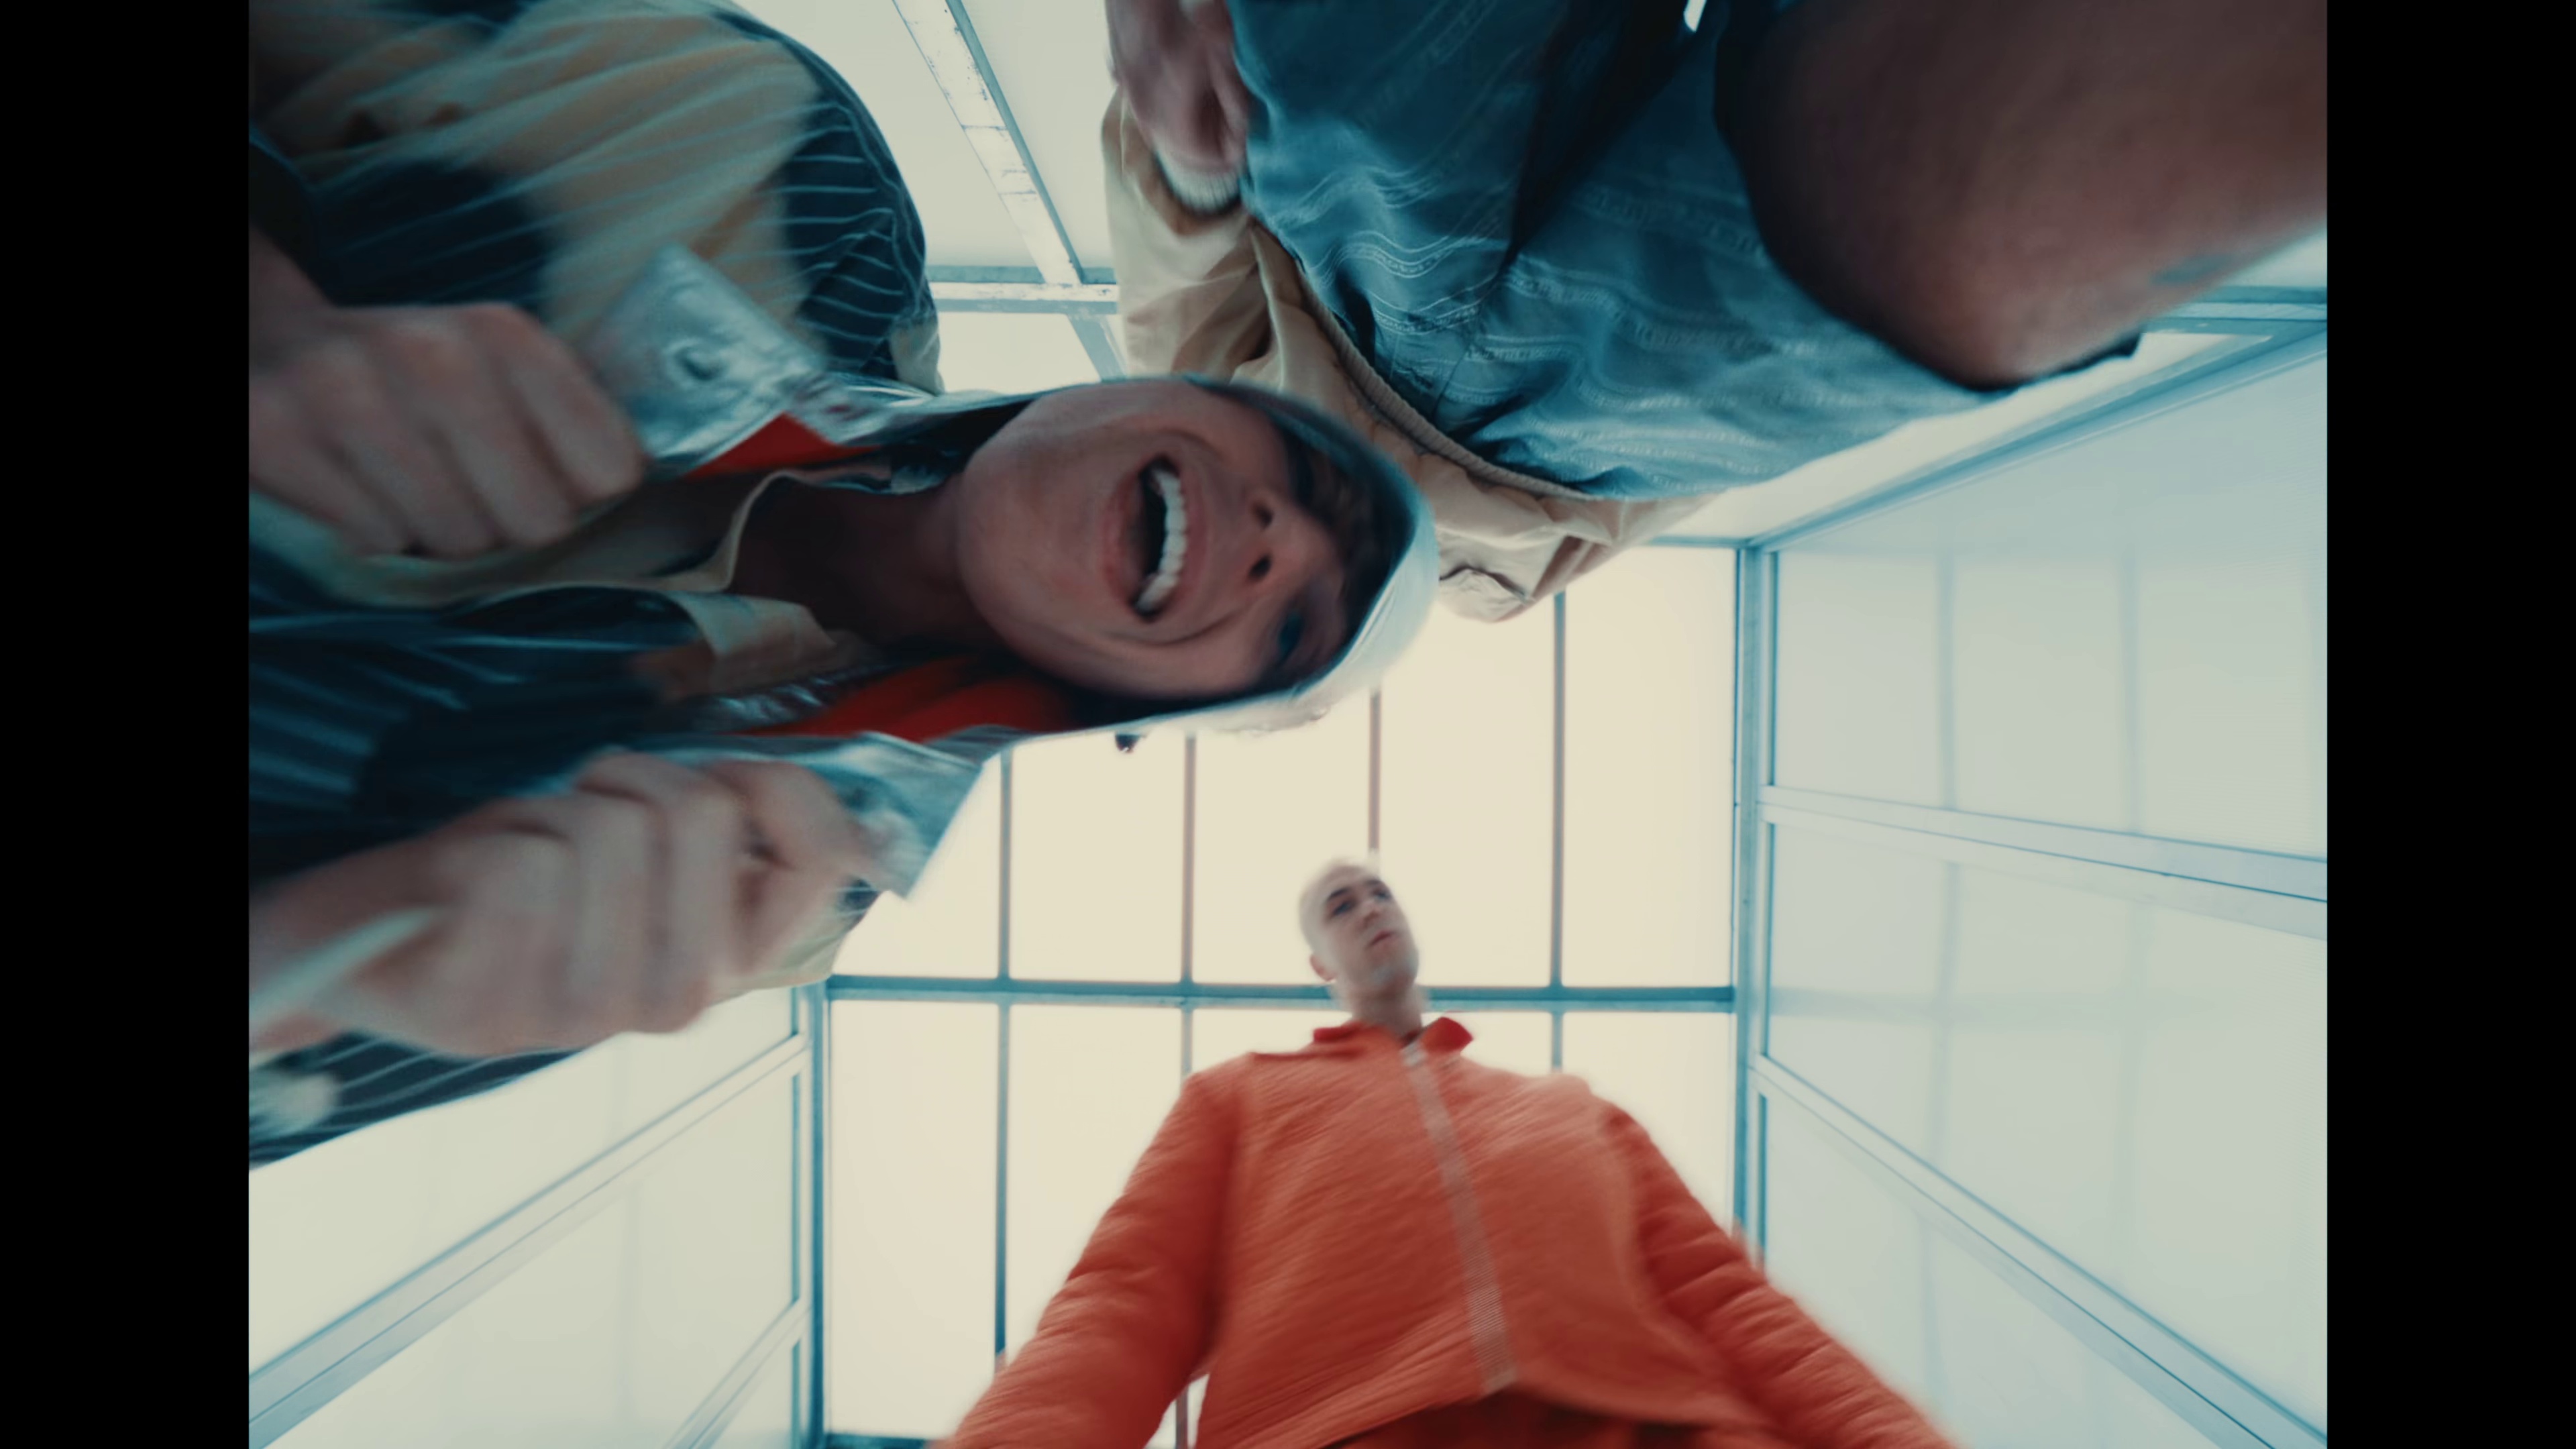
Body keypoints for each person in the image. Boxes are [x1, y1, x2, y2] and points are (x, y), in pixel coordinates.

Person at [247, 0, 1437, 1166]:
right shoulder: (773, 152)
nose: (1283, 542)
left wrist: (312, 947)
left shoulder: (771, 880)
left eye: (1292, 629)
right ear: (1163, 384)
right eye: (1304, 470)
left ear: (1142, 707)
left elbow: (291, 1074)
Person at [1101, 0, 2327, 620]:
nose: (1268, 563)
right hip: (1572, 427)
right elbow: (1651, 493)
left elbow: (1173, 290)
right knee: (1917, 239)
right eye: (1290, 634)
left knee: (1313, 75)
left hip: (1355, 261)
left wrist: (1189, 165)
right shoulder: (1481, 587)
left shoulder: (1181, 411)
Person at [938, 860, 1955, 1448]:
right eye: (1342, 905)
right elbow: (1127, 1300)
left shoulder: (1574, 1110)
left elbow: (1732, 1303)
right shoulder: (1238, 1096)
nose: (1370, 907)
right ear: (1319, 964)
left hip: (1661, 1430)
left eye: (1379, 891)